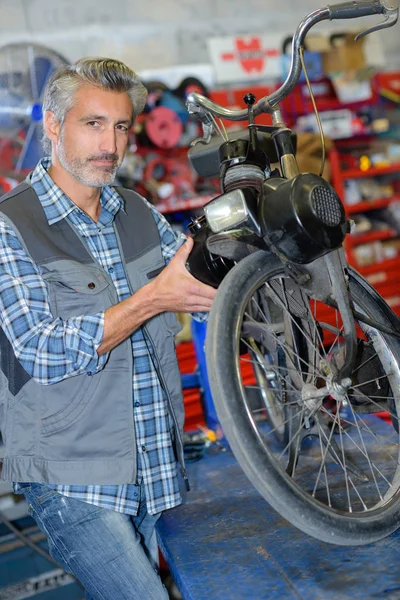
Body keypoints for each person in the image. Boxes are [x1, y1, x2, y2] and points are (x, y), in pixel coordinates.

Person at [0, 57, 216, 599]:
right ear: (53, 126)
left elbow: (203, 290)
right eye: (92, 123)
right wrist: (150, 300)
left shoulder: (137, 211)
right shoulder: (11, 226)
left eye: (120, 127)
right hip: (72, 476)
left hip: (151, 463)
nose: (110, 144)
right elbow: (40, 350)